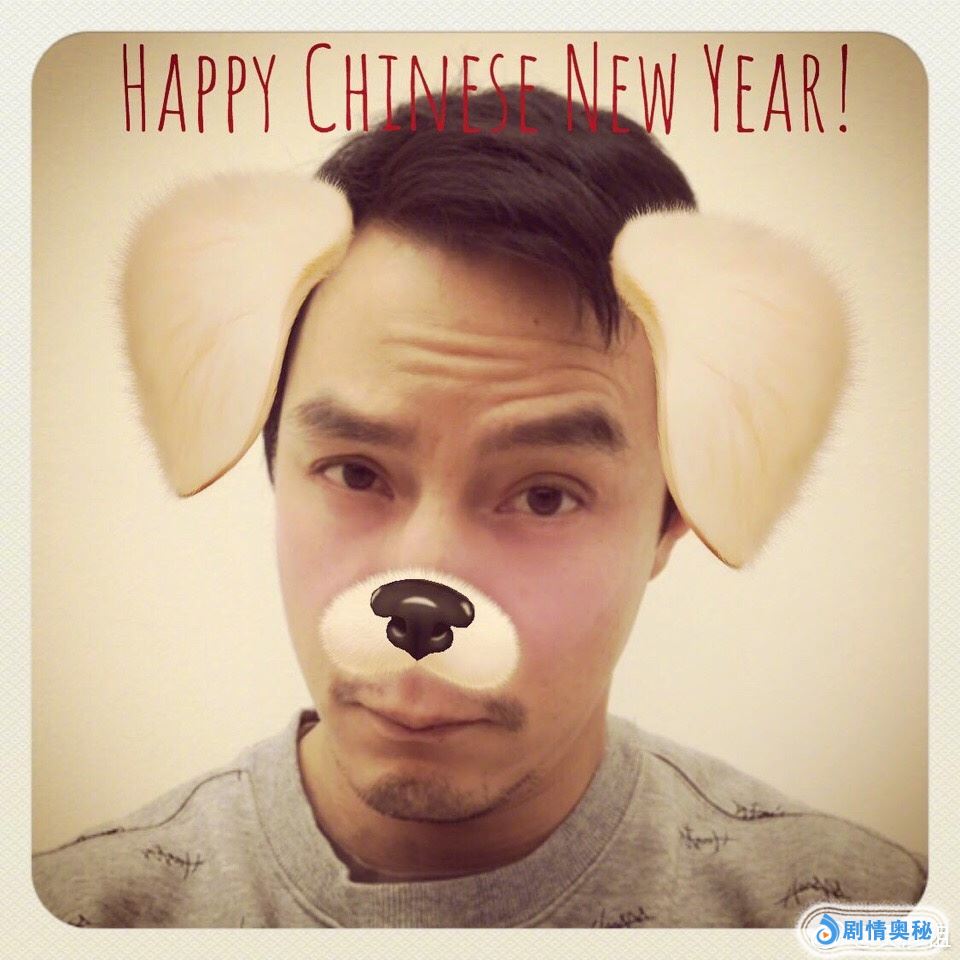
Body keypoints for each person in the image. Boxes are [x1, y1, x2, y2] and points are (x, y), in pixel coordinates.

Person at [32, 84, 926, 928]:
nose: (425, 591)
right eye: (355, 473)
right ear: (275, 468)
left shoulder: (861, 912)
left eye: (544, 495)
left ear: (674, 515)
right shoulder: (75, 918)